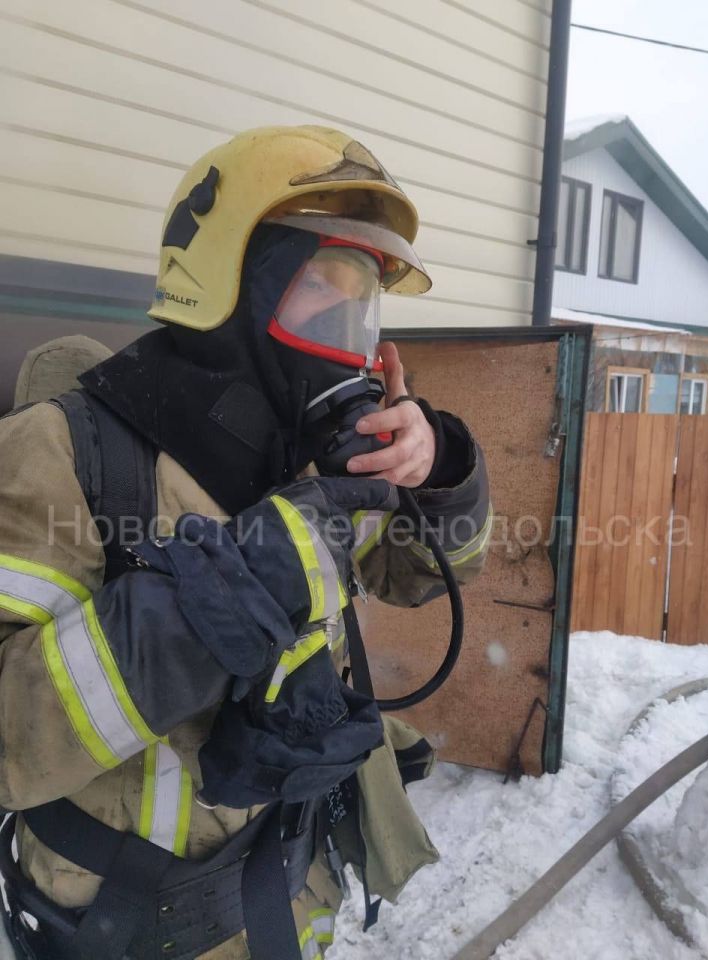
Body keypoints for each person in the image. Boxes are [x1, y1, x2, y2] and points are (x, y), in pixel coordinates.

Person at [0, 125, 492, 960]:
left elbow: (424, 578)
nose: (351, 334)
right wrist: (204, 615)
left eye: (361, 302)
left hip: (286, 906)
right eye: (323, 292)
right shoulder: (67, 453)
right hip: (122, 927)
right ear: (230, 282)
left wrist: (438, 462)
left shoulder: (314, 455)